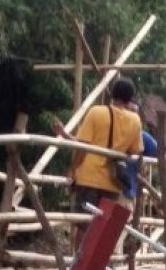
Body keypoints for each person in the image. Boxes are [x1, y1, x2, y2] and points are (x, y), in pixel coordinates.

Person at [54, 77, 143, 249]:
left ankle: (78, 266)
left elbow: (82, 147)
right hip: (112, 182)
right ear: (129, 98)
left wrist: (73, 170)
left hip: (88, 178)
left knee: (83, 225)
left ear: (112, 94)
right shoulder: (135, 121)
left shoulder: (97, 112)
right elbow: (135, 151)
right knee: (101, 227)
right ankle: (95, 269)